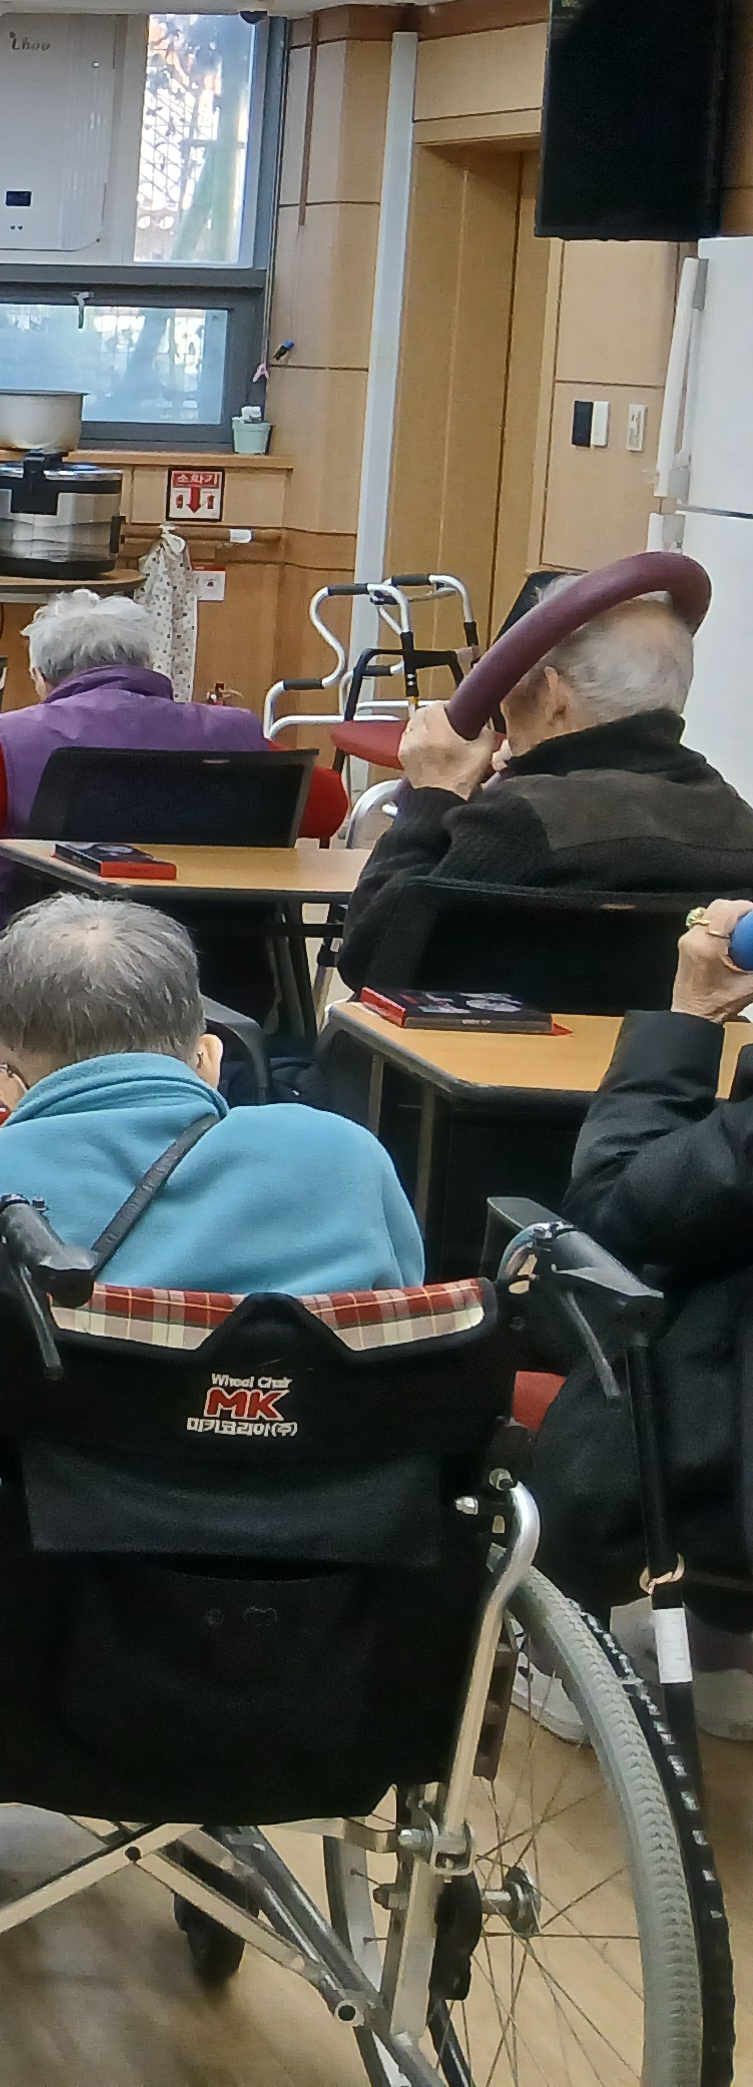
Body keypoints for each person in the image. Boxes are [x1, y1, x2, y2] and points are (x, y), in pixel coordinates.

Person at [0, 896, 423, 1485]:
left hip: (46, 1538)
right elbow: (402, 1361)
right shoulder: (349, 1158)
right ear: (208, 1057)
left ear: (7, 1086)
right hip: (349, 1525)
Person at [527, 896, 753, 1732]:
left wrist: (690, 1015)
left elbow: (614, 1210)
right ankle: (726, 1643)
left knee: (592, 1273)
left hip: (713, 1487)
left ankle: (571, 1647)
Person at [0, 590, 346, 977]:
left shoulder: (15, 738)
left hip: (44, 962)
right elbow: (329, 807)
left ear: (41, 678)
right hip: (212, 958)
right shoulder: (229, 733)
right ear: (147, 664)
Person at [337, 588, 753, 992]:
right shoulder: (736, 818)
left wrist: (432, 794)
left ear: (553, 695)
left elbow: (368, 958)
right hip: (668, 1042)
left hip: (460, 1041)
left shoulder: (522, 820)